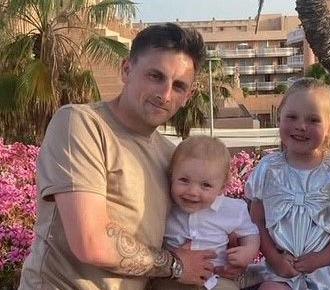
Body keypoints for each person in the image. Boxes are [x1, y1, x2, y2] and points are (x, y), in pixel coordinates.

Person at [19, 23, 217, 289]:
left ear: (188, 96)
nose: (165, 95)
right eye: (155, 76)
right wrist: (175, 265)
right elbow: (91, 242)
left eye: (179, 86)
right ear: (127, 70)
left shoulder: (172, 157)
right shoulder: (82, 124)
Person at [246, 78, 330, 290]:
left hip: (328, 267)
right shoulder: (268, 168)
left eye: (313, 120)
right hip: (282, 268)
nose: (301, 126)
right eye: (292, 117)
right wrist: (275, 259)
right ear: (279, 119)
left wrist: (321, 259)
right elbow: (257, 220)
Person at [150, 135, 260, 290]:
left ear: (222, 187)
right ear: (171, 176)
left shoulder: (231, 209)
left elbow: (251, 233)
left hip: (216, 278)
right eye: (184, 180)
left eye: (206, 185)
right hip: (174, 278)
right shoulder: (166, 206)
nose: (193, 191)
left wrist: (247, 252)